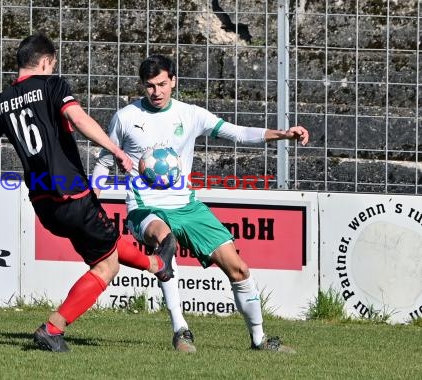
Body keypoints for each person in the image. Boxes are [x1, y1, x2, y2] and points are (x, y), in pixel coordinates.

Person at [0, 33, 175, 353]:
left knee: (106, 249)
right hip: (72, 194)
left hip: (44, 205)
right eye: (52, 64)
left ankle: (158, 265)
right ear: (45, 62)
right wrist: (115, 149)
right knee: (106, 266)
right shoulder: (52, 85)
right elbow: (77, 116)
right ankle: (53, 328)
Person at [92, 54, 309, 352]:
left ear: (174, 81)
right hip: (145, 208)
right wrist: (93, 203)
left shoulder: (191, 114)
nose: (157, 92)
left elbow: (239, 133)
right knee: (165, 244)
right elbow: (104, 163)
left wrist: (283, 134)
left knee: (239, 269)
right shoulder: (126, 118)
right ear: (142, 86)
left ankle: (259, 340)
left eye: (163, 84)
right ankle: (181, 330)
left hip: (188, 207)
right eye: (150, 86)